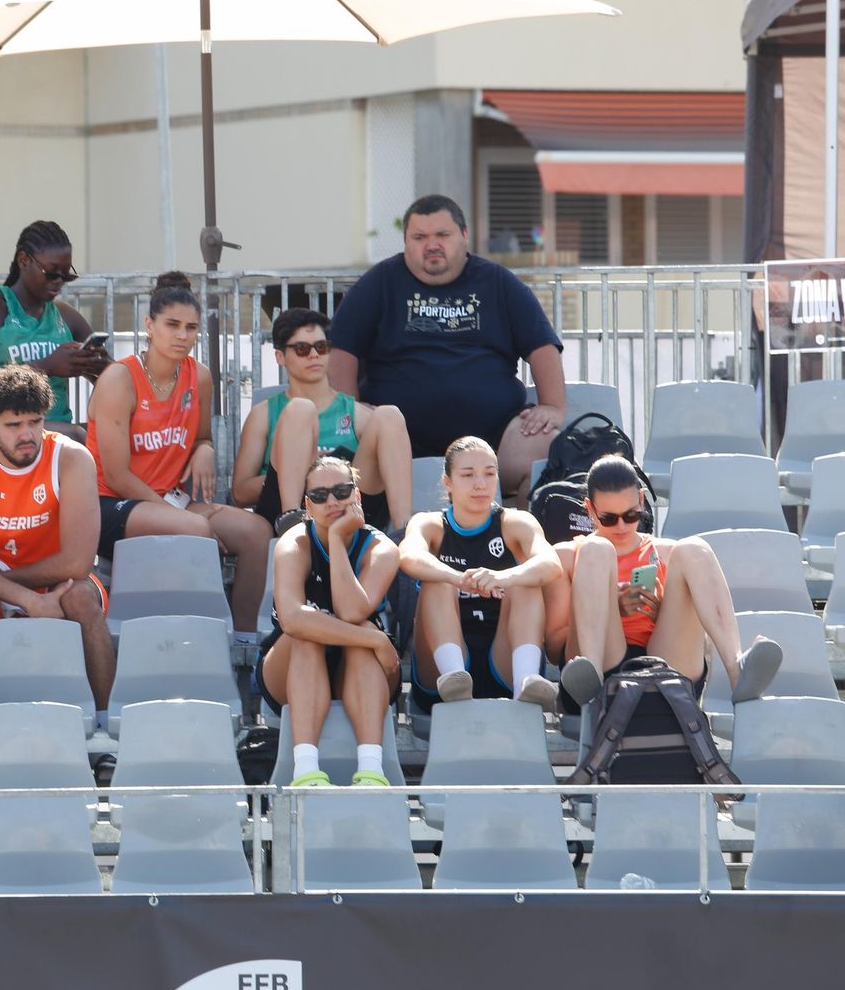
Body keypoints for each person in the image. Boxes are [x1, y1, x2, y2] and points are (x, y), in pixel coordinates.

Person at [328, 194, 567, 504]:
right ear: (406, 242)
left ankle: (518, 545)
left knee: (549, 448)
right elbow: (343, 351)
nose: (432, 244)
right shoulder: (378, 284)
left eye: (442, 235)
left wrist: (553, 406)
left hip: (495, 441)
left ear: (464, 236)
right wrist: (354, 414)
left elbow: (542, 347)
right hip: (399, 444)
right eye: (420, 237)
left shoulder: (498, 283)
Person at [87, 271, 273, 636]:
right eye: (172, 324)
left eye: (190, 327)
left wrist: (205, 448)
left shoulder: (199, 376)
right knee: (194, 528)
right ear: (149, 325)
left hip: (170, 503)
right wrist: (177, 514)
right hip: (107, 504)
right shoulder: (118, 380)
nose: (182, 335)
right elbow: (116, 475)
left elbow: (202, 436)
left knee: (257, 532)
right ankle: (198, 638)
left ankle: (244, 643)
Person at [0, 365, 115, 713]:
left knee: (82, 597)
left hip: (50, 582)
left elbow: (76, 562)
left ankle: (108, 729)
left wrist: (11, 588)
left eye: (35, 422)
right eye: (14, 425)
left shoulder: (72, 457)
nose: (27, 434)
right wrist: (23, 598)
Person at [543, 455, 783, 710]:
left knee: (695, 548)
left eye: (631, 515)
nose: (622, 526)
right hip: (601, 667)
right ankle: (592, 690)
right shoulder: (567, 556)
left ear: (641, 501)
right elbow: (555, 649)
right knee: (596, 548)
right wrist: (608, 606)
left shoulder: (667, 552)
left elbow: (695, 640)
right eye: (609, 518)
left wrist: (661, 611)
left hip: (662, 662)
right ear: (590, 510)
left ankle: (737, 672)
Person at [254, 455, 400, 787]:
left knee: (357, 637)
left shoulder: (382, 547)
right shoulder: (294, 543)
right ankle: (305, 772)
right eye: (319, 496)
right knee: (310, 635)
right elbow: (291, 618)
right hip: (292, 665)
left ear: (357, 496)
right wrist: (376, 639)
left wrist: (336, 540)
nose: (331, 501)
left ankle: (372, 772)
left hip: (362, 670)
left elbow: (352, 611)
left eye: (341, 490)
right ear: (308, 505)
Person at [398, 436, 563, 712]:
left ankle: (526, 683)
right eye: (468, 475)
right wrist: (456, 577)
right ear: (447, 482)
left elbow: (551, 563)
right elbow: (408, 556)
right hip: (441, 670)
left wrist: (503, 578)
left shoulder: (515, 522)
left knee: (525, 578)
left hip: (503, 658)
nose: (480, 484)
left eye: (489, 474)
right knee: (436, 579)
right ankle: (454, 681)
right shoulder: (429, 523)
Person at [233, 308, 413, 535]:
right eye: (301, 349)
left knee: (390, 415)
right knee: (300, 409)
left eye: (321, 347)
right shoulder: (263, 414)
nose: (314, 355)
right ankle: (292, 520)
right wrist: (298, 466)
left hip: (348, 506)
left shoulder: (357, 414)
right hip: (294, 505)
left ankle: (403, 532)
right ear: (280, 357)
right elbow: (240, 493)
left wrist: (332, 474)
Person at [0, 220, 110, 440]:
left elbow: (115, 381)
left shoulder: (66, 316)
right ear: (24, 260)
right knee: (75, 437)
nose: (59, 282)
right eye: (51, 273)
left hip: (51, 429)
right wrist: (46, 367)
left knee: (113, 434)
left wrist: (100, 367)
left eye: (66, 275)